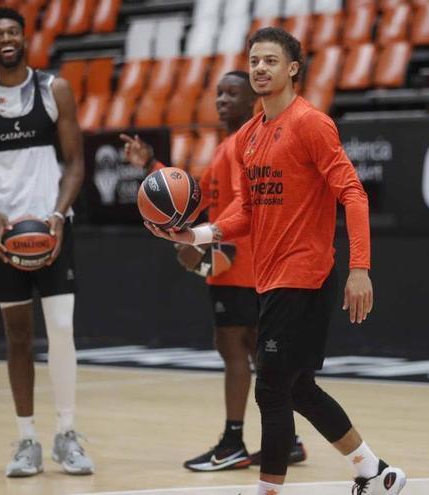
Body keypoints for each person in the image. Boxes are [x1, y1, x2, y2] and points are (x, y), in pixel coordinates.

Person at [145, 28, 406, 495]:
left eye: (270, 61)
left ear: (292, 69)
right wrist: (196, 235)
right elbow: (246, 209)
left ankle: (268, 490)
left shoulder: (312, 123)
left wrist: (360, 268)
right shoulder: (248, 136)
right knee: (298, 387)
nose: (260, 68)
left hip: (304, 273)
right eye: (254, 61)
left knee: (269, 389)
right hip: (271, 278)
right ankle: (375, 472)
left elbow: (353, 193)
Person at [121, 71, 307, 472]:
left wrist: (204, 247)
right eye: (219, 93)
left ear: (252, 100)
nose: (222, 99)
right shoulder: (230, 146)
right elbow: (195, 196)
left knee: (233, 348)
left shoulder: (243, 147)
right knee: (261, 355)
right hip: (252, 265)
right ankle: (288, 439)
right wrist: (152, 164)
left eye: (232, 93)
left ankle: (233, 442)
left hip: (238, 264)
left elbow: (247, 209)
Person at [0, 7, 93, 478]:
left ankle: (67, 434)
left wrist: (56, 215)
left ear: (26, 38)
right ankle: (27, 437)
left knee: (64, 330)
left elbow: (74, 163)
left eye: (12, 31)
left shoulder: (55, 91)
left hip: (52, 229)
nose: (6, 39)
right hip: (1, 236)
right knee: (17, 338)